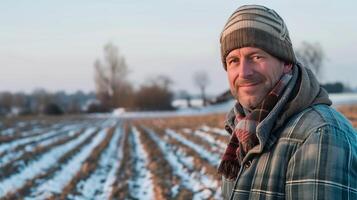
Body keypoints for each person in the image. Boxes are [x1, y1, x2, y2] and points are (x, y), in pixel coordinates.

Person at [217, 4, 357, 200]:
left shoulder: (319, 134)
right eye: (233, 60)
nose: (244, 72)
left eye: (256, 56)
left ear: (286, 63)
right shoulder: (242, 130)